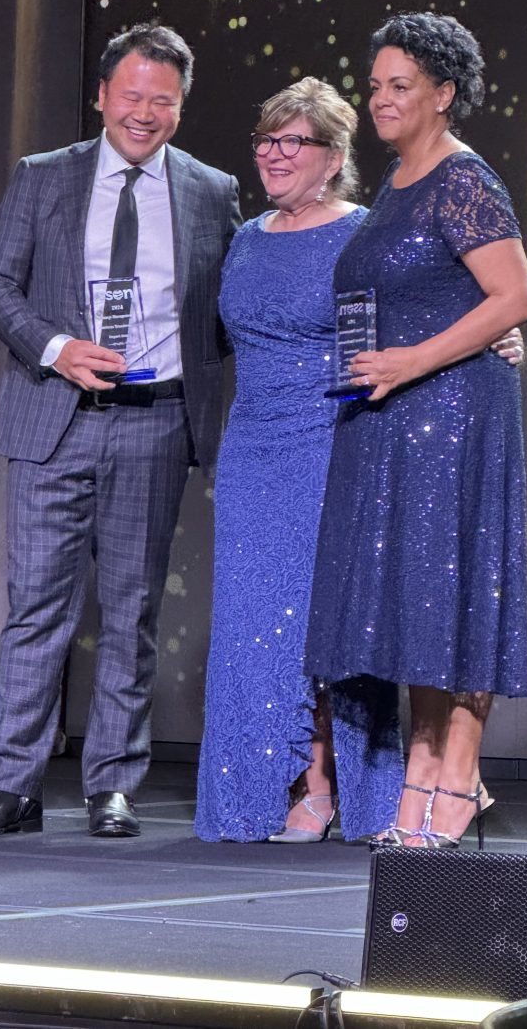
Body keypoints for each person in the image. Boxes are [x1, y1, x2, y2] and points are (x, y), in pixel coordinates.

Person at [0, 23, 241, 839]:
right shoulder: (44, 176)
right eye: (132, 95)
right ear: (102, 95)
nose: (145, 113)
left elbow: (234, 307)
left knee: (130, 612)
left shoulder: (211, 190)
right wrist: (57, 348)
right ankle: (13, 785)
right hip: (56, 416)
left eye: (163, 101)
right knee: (36, 609)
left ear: (181, 107)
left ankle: (113, 784)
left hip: (155, 422)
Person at [305, 12, 527, 849]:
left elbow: (515, 297)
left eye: (400, 85)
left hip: (454, 416)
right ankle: (420, 779)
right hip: (394, 422)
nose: (381, 99)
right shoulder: (398, 183)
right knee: (417, 603)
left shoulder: (464, 179)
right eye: (375, 85)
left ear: (444, 93)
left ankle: (456, 779)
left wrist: (413, 360)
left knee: (455, 592)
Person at [194, 78, 404, 843]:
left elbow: (415, 320)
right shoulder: (246, 238)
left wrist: (497, 338)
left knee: (323, 625)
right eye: (266, 140)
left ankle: (348, 789)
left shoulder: (364, 233)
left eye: (293, 141)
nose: (274, 155)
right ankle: (294, 788)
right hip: (252, 450)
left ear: (334, 155)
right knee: (254, 625)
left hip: (333, 444)